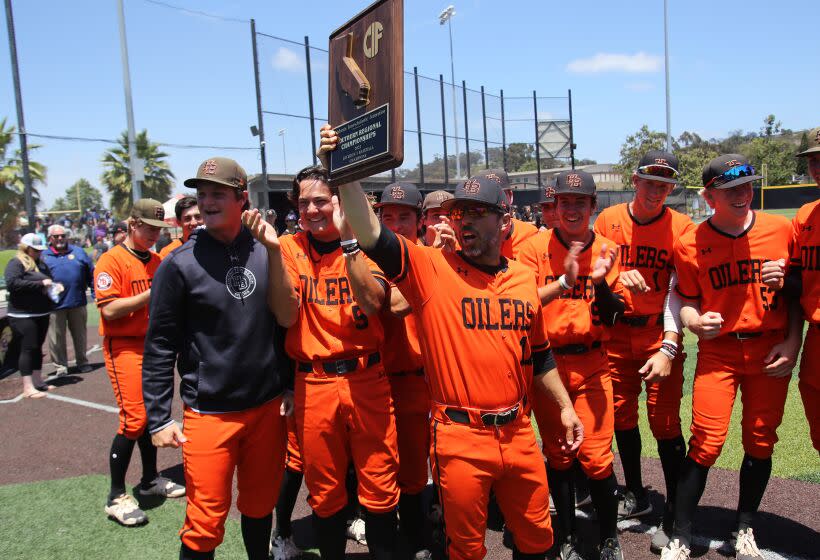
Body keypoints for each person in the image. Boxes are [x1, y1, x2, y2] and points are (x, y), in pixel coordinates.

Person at [326, 123, 583, 558]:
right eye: (460, 213)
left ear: (504, 220)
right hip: (460, 438)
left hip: (520, 432)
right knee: (466, 549)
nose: (464, 221)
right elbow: (372, 234)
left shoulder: (523, 278)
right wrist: (345, 174)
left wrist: (564, 405)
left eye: (477, 212)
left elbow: (538, 355)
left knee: (539, 540)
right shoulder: (431, 269)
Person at [143, 157, 292, 560]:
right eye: (202, 194)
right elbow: (159, 344)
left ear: (241, 198)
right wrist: (158, 416)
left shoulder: (268, 248)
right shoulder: (178, 263)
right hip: (210, 413)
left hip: (266, 407)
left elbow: (284, 325)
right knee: (205, 523)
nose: (207, 202)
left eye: (218, 194)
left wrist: (289, 385)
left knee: (261, 507)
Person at [250, 163, 400, 560]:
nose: (312, 210)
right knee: (326, 491)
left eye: (321, 200)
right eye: (304, 203)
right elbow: (285, 315)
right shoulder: (287, 246)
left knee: (381, 486)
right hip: (314, 383)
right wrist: (270, 251)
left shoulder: (369, 240)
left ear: (340, 201)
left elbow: (372, 302)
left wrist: (350, 243)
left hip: (367, 376)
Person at [662, 155, 802, 560]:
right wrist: (692, 320)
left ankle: (745, 527)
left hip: (769, 347)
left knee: (761, 441)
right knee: (705, 442)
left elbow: (797, 293)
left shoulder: (781, 229)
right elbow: (684, 298)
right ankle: (681, 535)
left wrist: (793, 343)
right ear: (709, 197)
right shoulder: (691, 241)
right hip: (719, 351)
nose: (742, 195)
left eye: (746, 186)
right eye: (729, 190)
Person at [517, 170, 624, 560]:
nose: (573, 208)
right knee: (559, 455)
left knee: (596, 458)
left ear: (594, 206)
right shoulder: (533, 248)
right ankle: (565, 536)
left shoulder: (609, 248)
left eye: (581, 202)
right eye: (565, 202)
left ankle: (609, 537)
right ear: (555, 207)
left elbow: (615, 317)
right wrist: (564, 280)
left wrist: (601, 283)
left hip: (593, 362)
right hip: (547, 365)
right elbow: (524, 307)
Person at [592, 151, 694, 551]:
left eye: (665, 184)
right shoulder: (608, 220)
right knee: (620, 417)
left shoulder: (681, 226)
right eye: (650, 182)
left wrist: (670, 344)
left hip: (657, 334)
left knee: (665, 423)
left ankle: (673, 511)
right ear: (634, 181)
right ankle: (636, 493)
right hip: (616, 336)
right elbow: (595, 278)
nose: (657, 191)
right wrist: (617, 274)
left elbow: (681, 289)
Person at [94, 199, 185, 528]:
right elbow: (109, 310)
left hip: (153, 347)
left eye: (158, 229)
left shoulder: (158, 260)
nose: (154, 234)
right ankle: (116, 495)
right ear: (132, 225)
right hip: (124, 347)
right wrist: (151, 294)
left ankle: (149, 479)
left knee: (151, 417)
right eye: (148, 228)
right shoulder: (111, 260)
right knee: (134, 420)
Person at [369, 182, 431, 559]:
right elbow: (390, 304)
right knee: (376, 468)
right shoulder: (368, 259)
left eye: (403, 216)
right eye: (386, 216)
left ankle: (417, 536)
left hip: (417, 380)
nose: (393, 224)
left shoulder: (433, 256)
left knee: (413, 470)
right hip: (372, 378)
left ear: (420, 220)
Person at [791, 126, 820, 452]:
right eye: (813, 160)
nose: (818, 169)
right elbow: (796, 283)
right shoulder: (806, 216)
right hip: (815, 339)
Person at [4, 233, 59, 398]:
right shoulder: (16, 262)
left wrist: (54, 287)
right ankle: (28, 387)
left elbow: (49, 279)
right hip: (23, 314)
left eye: (39, 250)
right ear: (26, 248)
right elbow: (13, 283)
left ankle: (38, 381)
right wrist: (40, 284)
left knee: (37, 348)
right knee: (27, 347)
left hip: (41, 311)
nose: (38, 252)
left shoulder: (41, 263)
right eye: (35, 250)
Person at [42, 224, 96, 376]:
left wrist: (95, 293)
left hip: (77, 302)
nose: (60, 239)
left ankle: (82, 362)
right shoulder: (44, 256)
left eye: (62, 236)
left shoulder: (78, 252)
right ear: (50, 238)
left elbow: (91, 273)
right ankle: (60, 366)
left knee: (80, 335)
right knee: (56, 338)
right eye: (56, 236)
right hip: (54, 305)